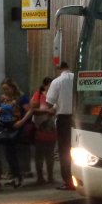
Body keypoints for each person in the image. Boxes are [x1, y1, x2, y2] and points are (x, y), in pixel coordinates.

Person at [18, 77, 56, 184]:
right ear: (44, 86)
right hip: (39, 128)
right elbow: (32, 109)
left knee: (50, 154)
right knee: (39, 154)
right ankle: (40, 177)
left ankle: (50, 176)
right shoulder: (38, 95)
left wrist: (46, 111)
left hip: (51, 128)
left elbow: (54, 110)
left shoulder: (55, 97)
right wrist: (46, 111)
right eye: (50, 85)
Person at [0, 78, 30, 188]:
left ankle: (17, 175)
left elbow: (29, 110)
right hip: (6, 125)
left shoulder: (21, 97)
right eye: (4, 89)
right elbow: (2, 109)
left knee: (13, 152)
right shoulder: (3, 99)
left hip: (16, 125)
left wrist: (21, 122)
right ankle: (14, 175)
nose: (5, 91)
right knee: (8, 153)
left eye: (7, 89)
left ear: (13, 88)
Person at [46, 62, 74, 190]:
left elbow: (49, 103)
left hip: (64, 120)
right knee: (76, 150)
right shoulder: (77, 78)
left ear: (59, 69)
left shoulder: (57, 81)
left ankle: (67, 181)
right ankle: (77, 178)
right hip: (78, 118)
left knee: (64, 151)